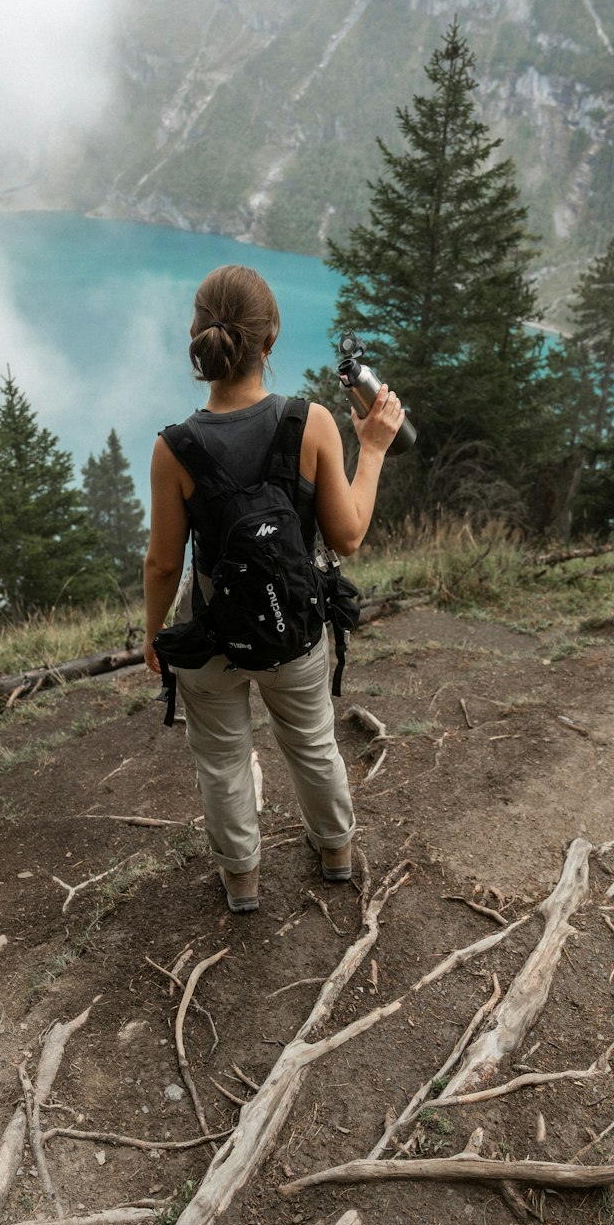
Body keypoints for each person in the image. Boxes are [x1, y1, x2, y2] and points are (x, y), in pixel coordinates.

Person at [143, 264, 404, 913]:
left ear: (200, 336)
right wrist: (369, 448)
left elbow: (162, 563)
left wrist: (155, 636)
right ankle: (336, 851)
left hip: (209, 636)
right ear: (271, 338)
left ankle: (241, 879)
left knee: (224, 762)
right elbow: (345, 539)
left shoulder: (174, 447)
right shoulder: (308, 423)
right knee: (313, 743)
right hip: (293, 628)